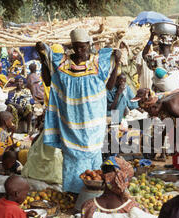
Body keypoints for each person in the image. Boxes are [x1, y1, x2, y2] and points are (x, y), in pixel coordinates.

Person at [36, 28, 121, 194]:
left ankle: (93, 189)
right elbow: (47, 81)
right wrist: (42, 58)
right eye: (77, 47)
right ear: (72, 46)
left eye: (83, 47)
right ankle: (73, 193)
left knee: (94, 156)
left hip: (93, 120)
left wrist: (117, 63)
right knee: (73, 157)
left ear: (89, 45)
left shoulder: (98, 62)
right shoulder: (62, 64)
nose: (80, 51)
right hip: (71, 122)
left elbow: (109, 86)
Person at [142, 24, 179, 92]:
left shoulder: (154, 59)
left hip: (159, 93)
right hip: (175, 91)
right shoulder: (177, 57)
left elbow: (144, 54)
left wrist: (151, 38)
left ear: (159, 46)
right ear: (171, 46)